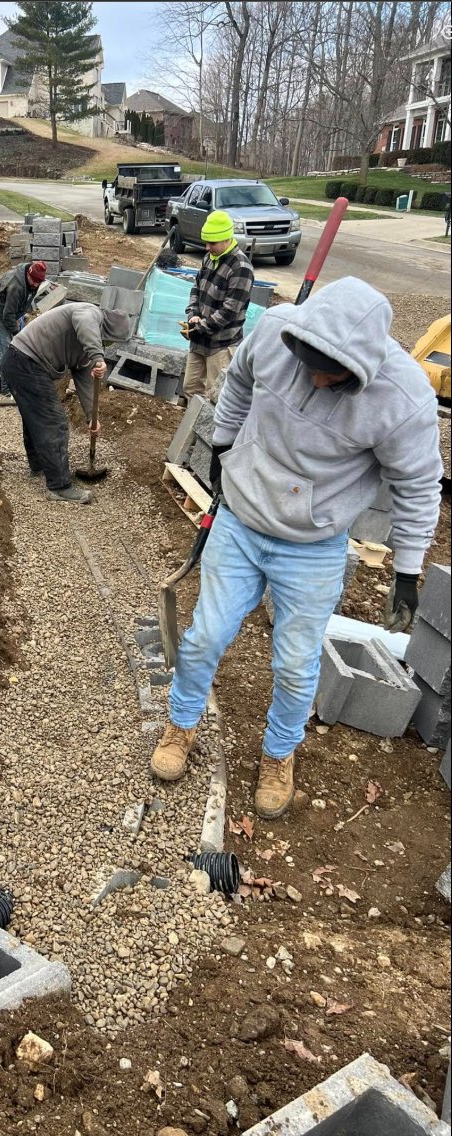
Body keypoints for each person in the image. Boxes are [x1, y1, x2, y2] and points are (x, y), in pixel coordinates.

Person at [150, 276, 442, 819]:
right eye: (308, 361)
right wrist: (223, 444)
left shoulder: (404, 400)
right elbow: (236, 382)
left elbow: (419, 488)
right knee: (204, 637)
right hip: (239, 522)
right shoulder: (277, 331)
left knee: (294, 663)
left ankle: (279, 753)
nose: (314, 375)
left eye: (332, 372)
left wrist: (406, 572)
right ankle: (181, 725)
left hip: (311, 546)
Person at [2, 303, 131, 504]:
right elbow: (84, 321)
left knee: (36, 417)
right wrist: (98, 356)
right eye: (108, 341)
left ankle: (41, 467)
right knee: (54, 421)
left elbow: (85, 380)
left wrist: (91, 417)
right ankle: (59, 486)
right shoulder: (90, 313)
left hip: (24, 363)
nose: (107, 345)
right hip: (24, 361)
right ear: (105, 330)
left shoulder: (85, 344)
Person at [181, 210, 254, 403]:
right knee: (190, 388)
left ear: (226, 239)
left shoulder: (241, 268)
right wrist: (193, 315)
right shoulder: (209, 258)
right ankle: (188, 430)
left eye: (212, 243)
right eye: (206, 242)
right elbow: (196, 288)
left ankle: (209, 433)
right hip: (200, 341)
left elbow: (229, 311)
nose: (207, 247)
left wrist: (200, 329)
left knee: (214, 397)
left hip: (221, 344)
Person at [0, 260, 48, 398]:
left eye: (38, 283)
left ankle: (17, 376)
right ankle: (6, 389)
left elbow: (18, 306)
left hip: (9, 309)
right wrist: (16, 332)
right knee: (6, 347)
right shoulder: (16, 286)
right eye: (34, 281)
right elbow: (7, 315)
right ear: (29, 275)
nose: (36, 285)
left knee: (16, 345)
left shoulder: (32, 280)